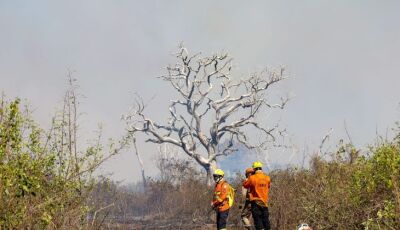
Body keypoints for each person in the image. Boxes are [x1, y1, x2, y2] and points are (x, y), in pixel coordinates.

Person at [243, 161, 271, 230]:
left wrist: (248, 178)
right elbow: (268, 186)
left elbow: (245, 185)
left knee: (258, 220)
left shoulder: (252, 178)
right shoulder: (267, 178)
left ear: (254, 169)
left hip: (255, 203)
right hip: (264, 203)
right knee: (266, 220)